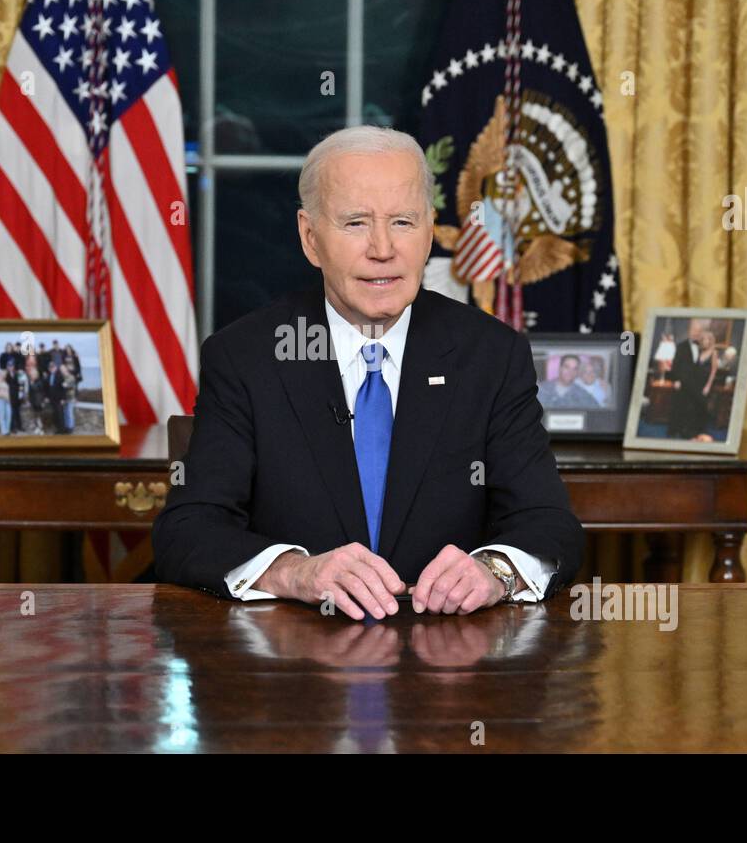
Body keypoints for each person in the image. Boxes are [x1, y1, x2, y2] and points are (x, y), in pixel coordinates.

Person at [153, 125, 583, 620]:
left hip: (451, 669)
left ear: (428, 233)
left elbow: (550, 525)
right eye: (356, 223)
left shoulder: (491, 356)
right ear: (310, 238)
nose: (383, 248)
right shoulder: (245, 357)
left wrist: (495, 571)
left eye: (403, 222)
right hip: (293, 669)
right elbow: (187, 530)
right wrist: (296, 572)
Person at [667, 328, 719, 439]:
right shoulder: (697, 349)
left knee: (701, 407)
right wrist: (677, 380)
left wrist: (708, 386)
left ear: (711, 341)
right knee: (690, 407)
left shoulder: (714, 352)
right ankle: (682, 430)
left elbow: (713, 371)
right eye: (703, 338)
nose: (705, 341)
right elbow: (677, 365)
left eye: (707, 339)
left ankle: (699, 430)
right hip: (694, 382)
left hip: (704, 384)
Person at [4, 361, 24, 434]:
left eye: (11, 366)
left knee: (18, 412)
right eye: (9, 366)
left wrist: (21, 393)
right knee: (11, 412)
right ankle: (13, 428)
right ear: (7, 367)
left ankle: (20, 426)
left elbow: (21, 384)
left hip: (17, 396)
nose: (10, 367)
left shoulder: (17, 374)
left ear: (13, 366)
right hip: (10, 396)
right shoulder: (6, 375)